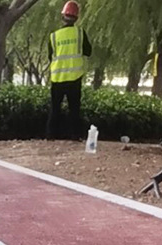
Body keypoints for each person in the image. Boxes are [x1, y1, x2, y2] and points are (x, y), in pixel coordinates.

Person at [47, 1, 92, 140]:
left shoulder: (54, 36)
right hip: (74, 78)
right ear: (76, 18)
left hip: (57, 78)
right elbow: (88, 51)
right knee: (74, 108)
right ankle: (75, 135)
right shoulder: (80, 33)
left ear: (63, 17)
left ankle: (51, 135)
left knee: (55, 108)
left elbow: (50, 56)